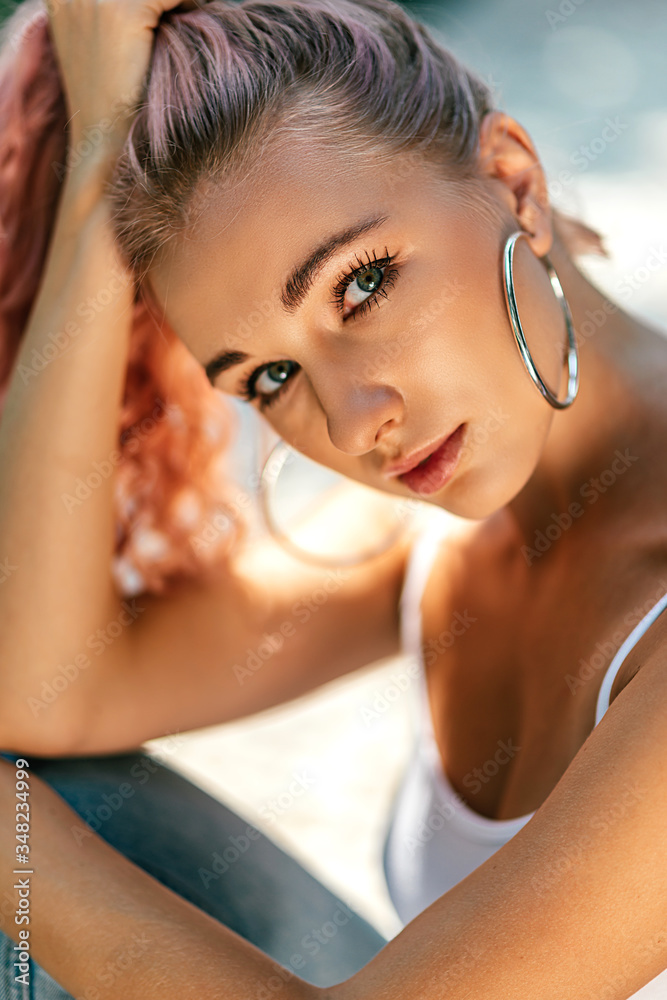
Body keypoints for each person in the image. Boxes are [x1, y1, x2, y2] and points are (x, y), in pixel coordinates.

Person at [0, 0, 666, 997]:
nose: (353, 424)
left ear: (513, 182)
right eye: (268, 378)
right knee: (56, 791)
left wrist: (18, 861)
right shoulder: (441, 535)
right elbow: (44, 689)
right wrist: (103, 156)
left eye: (360, 286)